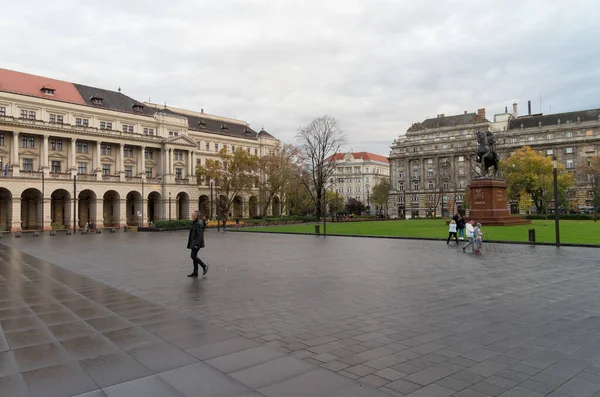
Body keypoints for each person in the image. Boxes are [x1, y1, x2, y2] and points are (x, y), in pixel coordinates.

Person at [187, 210, 208, 278]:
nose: (191, 216)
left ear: (196, 216)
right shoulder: (195, 222)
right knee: (194, 257)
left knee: (193, 256)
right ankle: (195, 272)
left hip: (196, 243)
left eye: (192, 215)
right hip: (193, 242)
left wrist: (197, 244)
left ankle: (204, 266)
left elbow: (200, 235)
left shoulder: (199, 223)